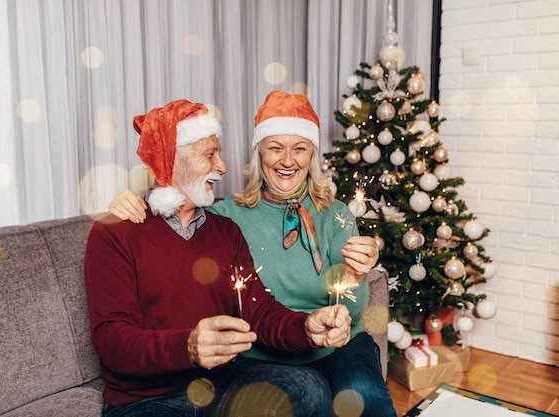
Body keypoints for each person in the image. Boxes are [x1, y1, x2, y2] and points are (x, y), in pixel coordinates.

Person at [108, 91, 397, 417]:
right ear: (259, 154)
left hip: (333, 343)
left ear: (312, 155)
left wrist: (355, 276)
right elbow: (176, 205)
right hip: (264, 354)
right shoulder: (227, 217)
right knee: (302, 391)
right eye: (275, 148)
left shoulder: (335, 215)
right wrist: (129, 200)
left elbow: (347, 312)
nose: (288, 160)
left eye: (299, 148)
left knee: (362, 398)